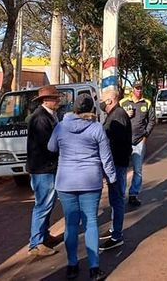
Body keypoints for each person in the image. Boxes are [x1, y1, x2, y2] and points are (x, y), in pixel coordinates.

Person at [48, 94, 116, 281]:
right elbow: (106, 157)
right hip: (90, 181)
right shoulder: (96, 128)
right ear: (91, 109)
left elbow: (51, 147)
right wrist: (111, 177)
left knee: (71, 223)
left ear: (74, 109)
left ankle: (72, 266)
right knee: (91, 223)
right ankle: (94, 269)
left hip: (66, 182)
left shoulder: (61, 127)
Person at [26, 84, 61, 258]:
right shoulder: (41, 118)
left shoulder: (49, 116)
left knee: (48, 203)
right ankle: (36, 243)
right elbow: (48, 146)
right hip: (42, 168)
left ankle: (44, 236)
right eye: (56, 98)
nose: (59, 101)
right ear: (47, 100)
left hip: (47, 167)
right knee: (43, 204)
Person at [99, 89, 132, 251]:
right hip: (116, 163)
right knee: (114, 199)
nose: (100, 101)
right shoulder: (114, 114)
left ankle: (117, 235)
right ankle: (114, 228)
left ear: (110, 101)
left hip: (117, 164)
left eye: (102, 99)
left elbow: (115, 144)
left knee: (117, 199)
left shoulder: (117, 116)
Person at [120, 82, 156, 207]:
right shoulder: (123, 103)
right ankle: (120, 195)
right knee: (123, 170)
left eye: (141, 88)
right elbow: (116, 118)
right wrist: (125, 115)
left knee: (138, 170)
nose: (139, 90)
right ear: (133, 89)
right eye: (137, 88)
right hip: (124, 142)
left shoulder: (147, 103)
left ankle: (133, 195)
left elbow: (152, 120)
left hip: (139, 141)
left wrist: (146, 135)